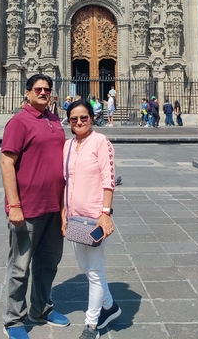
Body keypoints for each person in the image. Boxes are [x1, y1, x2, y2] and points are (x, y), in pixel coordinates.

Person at [0, 74, 68, 339]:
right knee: (20, 266)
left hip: (53, 205)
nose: (43, 92)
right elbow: (6, 163)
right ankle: (14, 320)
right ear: (27, 92)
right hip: (27, 207)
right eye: (38, 89)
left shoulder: (53, 120)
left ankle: (41, 309)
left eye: (46, 89)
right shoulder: (19, 121)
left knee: (48, 263)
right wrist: (14, 205)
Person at [63, 99, 121, 339]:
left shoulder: (101, 142)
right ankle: (110, 306)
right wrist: (63, 212)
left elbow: (109, 180)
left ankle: (91, 325)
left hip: (96, 218)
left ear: (92, 118)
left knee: (95, 270)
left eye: (83, 117)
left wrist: (105, 214)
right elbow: (64, 182)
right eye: (74, 118)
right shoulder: (66, 146)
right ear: (69, 121)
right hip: (75, 218)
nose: (78, 122)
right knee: (85, 268)